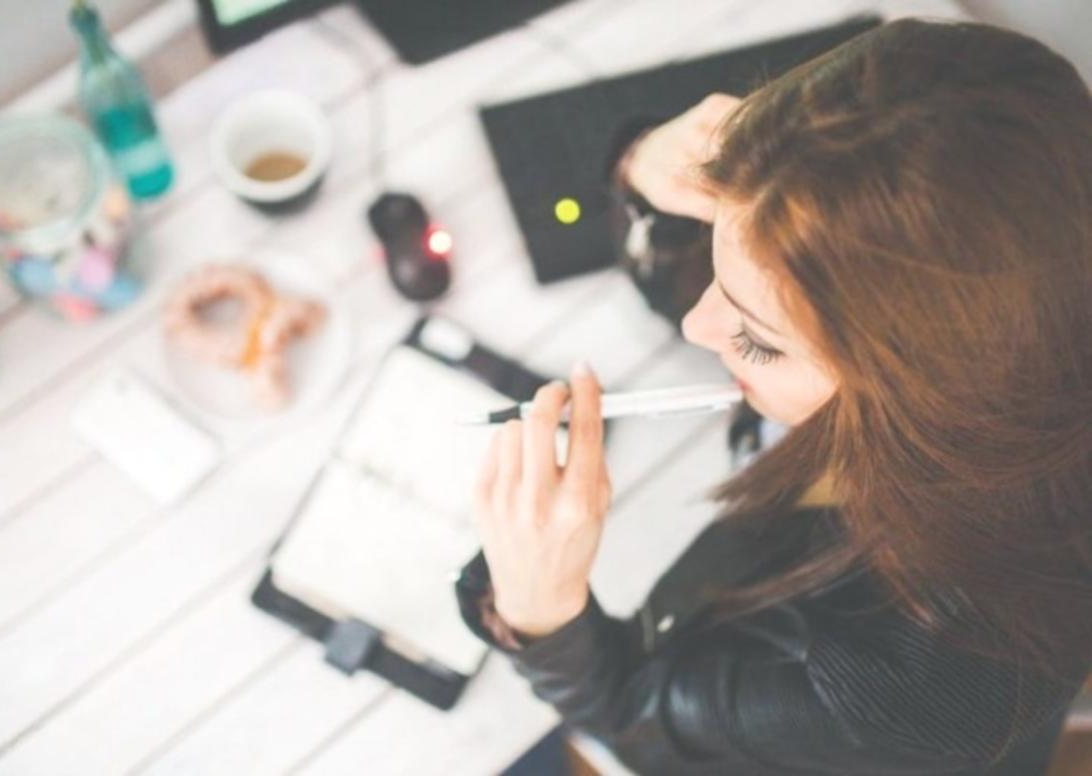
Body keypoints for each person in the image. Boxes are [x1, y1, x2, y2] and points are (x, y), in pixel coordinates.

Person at [453, 17, 1092, 776]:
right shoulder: (995, 267)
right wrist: (640, 166)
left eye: (758, 340)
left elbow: (634, 720)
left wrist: (540, 611)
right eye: (718, 240)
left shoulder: (913, 677)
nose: (698, 326)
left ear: (918, 392)